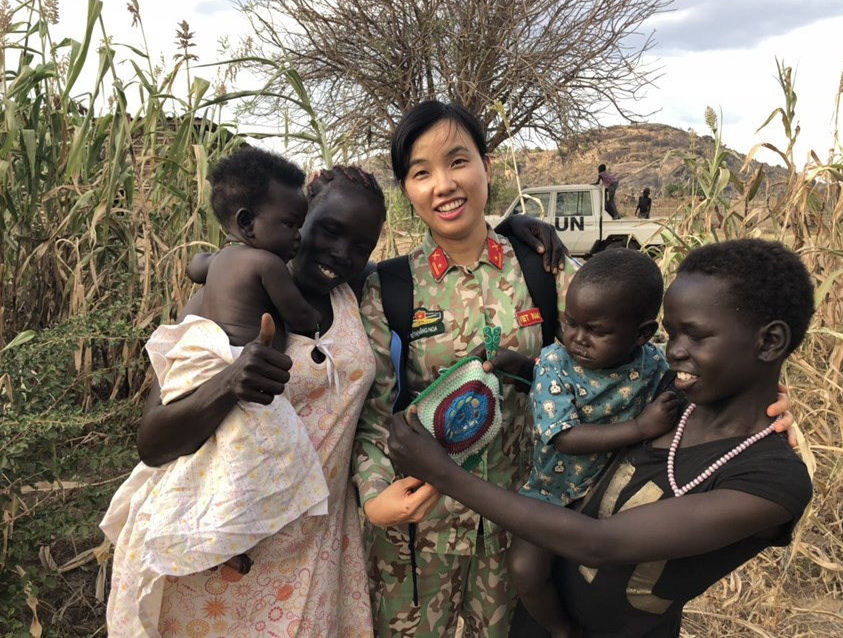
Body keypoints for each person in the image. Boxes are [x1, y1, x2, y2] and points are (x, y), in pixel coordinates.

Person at [128, 156, 566, 635]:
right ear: (299, 218)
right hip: (233, 546)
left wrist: (515, 225)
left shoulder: (354, 293)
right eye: (328, 230)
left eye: (361, 245)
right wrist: (228, 382)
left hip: (321, 548)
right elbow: (153, 443)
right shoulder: (227, 300)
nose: (341, 253)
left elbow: (448, 261)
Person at [388, 238, 815, 638]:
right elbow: (594, 392)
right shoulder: (668, 398)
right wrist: (523, 367)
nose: (675, 350)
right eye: (672, 333)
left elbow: (598, 543)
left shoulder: (770, 481)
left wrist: (441, 473)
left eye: (696, 335)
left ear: (770, 341)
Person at [352, 100, 581, 637]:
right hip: (416, 533)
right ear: (406, 190)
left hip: (518, 522)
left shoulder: (543, 268)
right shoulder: (387, 290)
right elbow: (372, 414)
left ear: (487, 167)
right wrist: (373, 497)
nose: (443, 185)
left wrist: (734, 400)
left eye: (458, 161)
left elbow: (613, 359)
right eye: (420, 172)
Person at [101, 148, 336, 635]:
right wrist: (313, 318)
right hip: (234, 368)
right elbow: (298, 316)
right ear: (249, 223)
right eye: (292, 224)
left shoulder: (213, 271)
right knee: (251, 459)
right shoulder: (267, 265)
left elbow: (193, 265)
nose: (298, 236)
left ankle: (208, 540)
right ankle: (232, 540)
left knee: (208, 467)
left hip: (195, 361)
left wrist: (212, 260)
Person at [507, 249, 677, 638]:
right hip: (551, 493)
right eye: (570, 324)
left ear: (642, 334)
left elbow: (698, 383)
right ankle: (561, 630)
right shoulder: (555, 362)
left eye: (596, 331)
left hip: (613, 499)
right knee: (524, 570)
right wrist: (639, 428)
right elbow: (564, 437)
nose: (577, 339)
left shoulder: (653, 364)